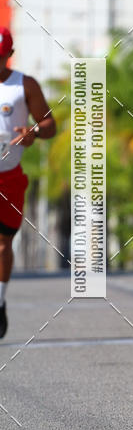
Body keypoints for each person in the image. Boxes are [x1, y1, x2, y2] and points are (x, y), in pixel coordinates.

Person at [0, 28, 56, 337]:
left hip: (8, 177)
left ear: (9, 55)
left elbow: (49, 123)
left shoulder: (24, 85)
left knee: (2, 244)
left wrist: (33, 132)